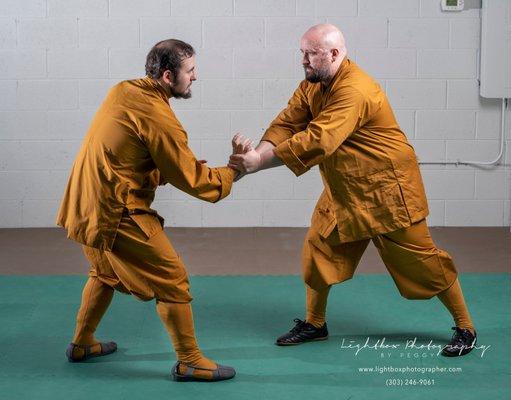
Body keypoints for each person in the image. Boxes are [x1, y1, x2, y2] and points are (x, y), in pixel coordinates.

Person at [229, 24, 477, 357]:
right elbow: (288, 122)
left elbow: (318, 139)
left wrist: (257, 163)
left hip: (387, 191)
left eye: (310, 53)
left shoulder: (355, 89)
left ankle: (466, 327)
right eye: (301, 52)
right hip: (345, 189)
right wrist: (257, 153)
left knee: (424, 264)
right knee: (317, 253)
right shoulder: (314, 85)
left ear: (334, 53)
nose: (303, 60)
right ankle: (315, 324)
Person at [57, 39, 250, 382]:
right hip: (114, 212)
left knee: (104, 272)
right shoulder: (160, 117)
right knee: (173, 279)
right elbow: (196, 181)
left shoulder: (124, 91)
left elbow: (127, 152)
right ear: (167, 75)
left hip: (83, 203)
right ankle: (189, 361)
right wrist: (234, 170)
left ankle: (83, 342)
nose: (195, 77)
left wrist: (173, 166)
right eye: (190, 71)